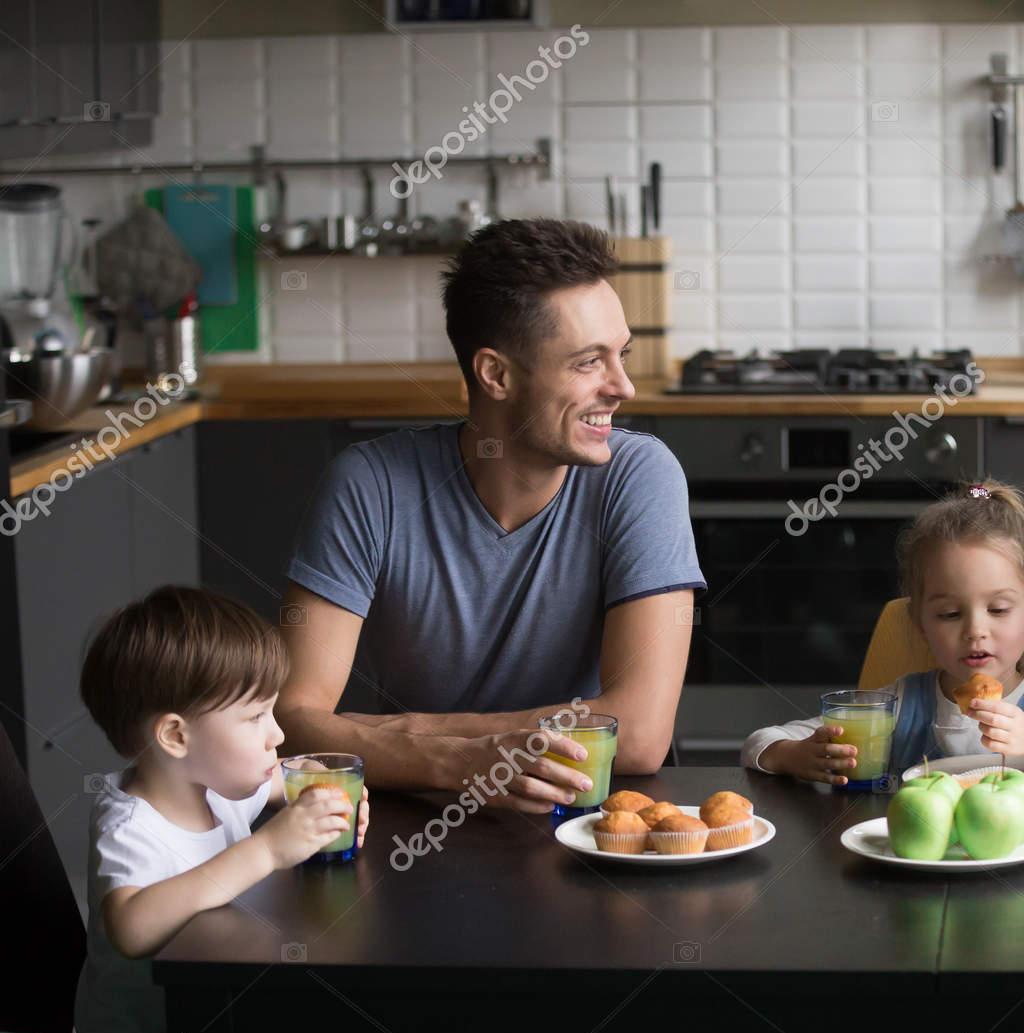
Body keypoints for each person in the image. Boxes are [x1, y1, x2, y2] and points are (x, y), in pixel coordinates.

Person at [275, 218, 705, 811]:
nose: (624, 386)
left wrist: (405, 733)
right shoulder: (370, 483)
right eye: (588, 362)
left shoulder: (639, 475)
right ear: (496, 374)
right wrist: (454, 762)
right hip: (414, 817)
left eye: (621, 355)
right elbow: (291, 721)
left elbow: (638, 735)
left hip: (596, 817)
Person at [73, 586, 369, 1033]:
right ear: (176, 736)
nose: (279, 733)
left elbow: (285, 784)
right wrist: (267, 849)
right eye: (255, 716)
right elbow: (131, 927)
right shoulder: (131, 827)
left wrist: (321, 792)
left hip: (221, 1010)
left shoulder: (217, 785)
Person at [744, 480, 1024, 783]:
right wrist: (794, 755)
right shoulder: (902, 703)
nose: (975, 631)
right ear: (919, 624)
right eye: (949, 614)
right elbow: (760, 741)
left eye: (999, 609)